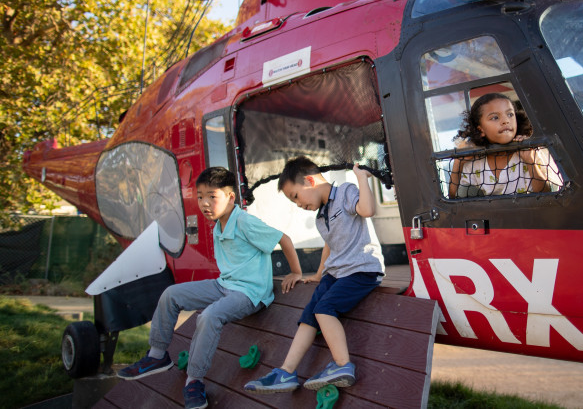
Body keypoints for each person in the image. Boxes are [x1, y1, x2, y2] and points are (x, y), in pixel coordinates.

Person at [116, 167, 303, 409]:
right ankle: (157, 355)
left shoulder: (244, 221)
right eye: (200, 196)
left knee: (209, 316)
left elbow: (283, 238)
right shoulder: (219, 226)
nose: (205, 203)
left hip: (249, 293)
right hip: (224, 285)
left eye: (212, 197)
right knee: (171, 294)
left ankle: (194, 381)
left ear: (230, 197)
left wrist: (296, 272)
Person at [243, 156, 385, 394]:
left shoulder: (346, 192)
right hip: (337, 273)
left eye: (296, 197)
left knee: (323, 309)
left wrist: (361, 179)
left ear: (309, 181)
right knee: (309, 314)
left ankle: (342, 365)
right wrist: (320, 274)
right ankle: (286, 371)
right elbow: (330, 245)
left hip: (361, 270)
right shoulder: (321, 216)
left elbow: (367, 209)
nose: (297, 204)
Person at [448, 93, 558, 198]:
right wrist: (458, 162)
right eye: (495, 118)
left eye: (510, 114)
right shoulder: (473, 163)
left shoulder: (530, 151)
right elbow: (454, 198)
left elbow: (547, 195)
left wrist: (530, 160)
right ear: (480, 129)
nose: (505, 121)